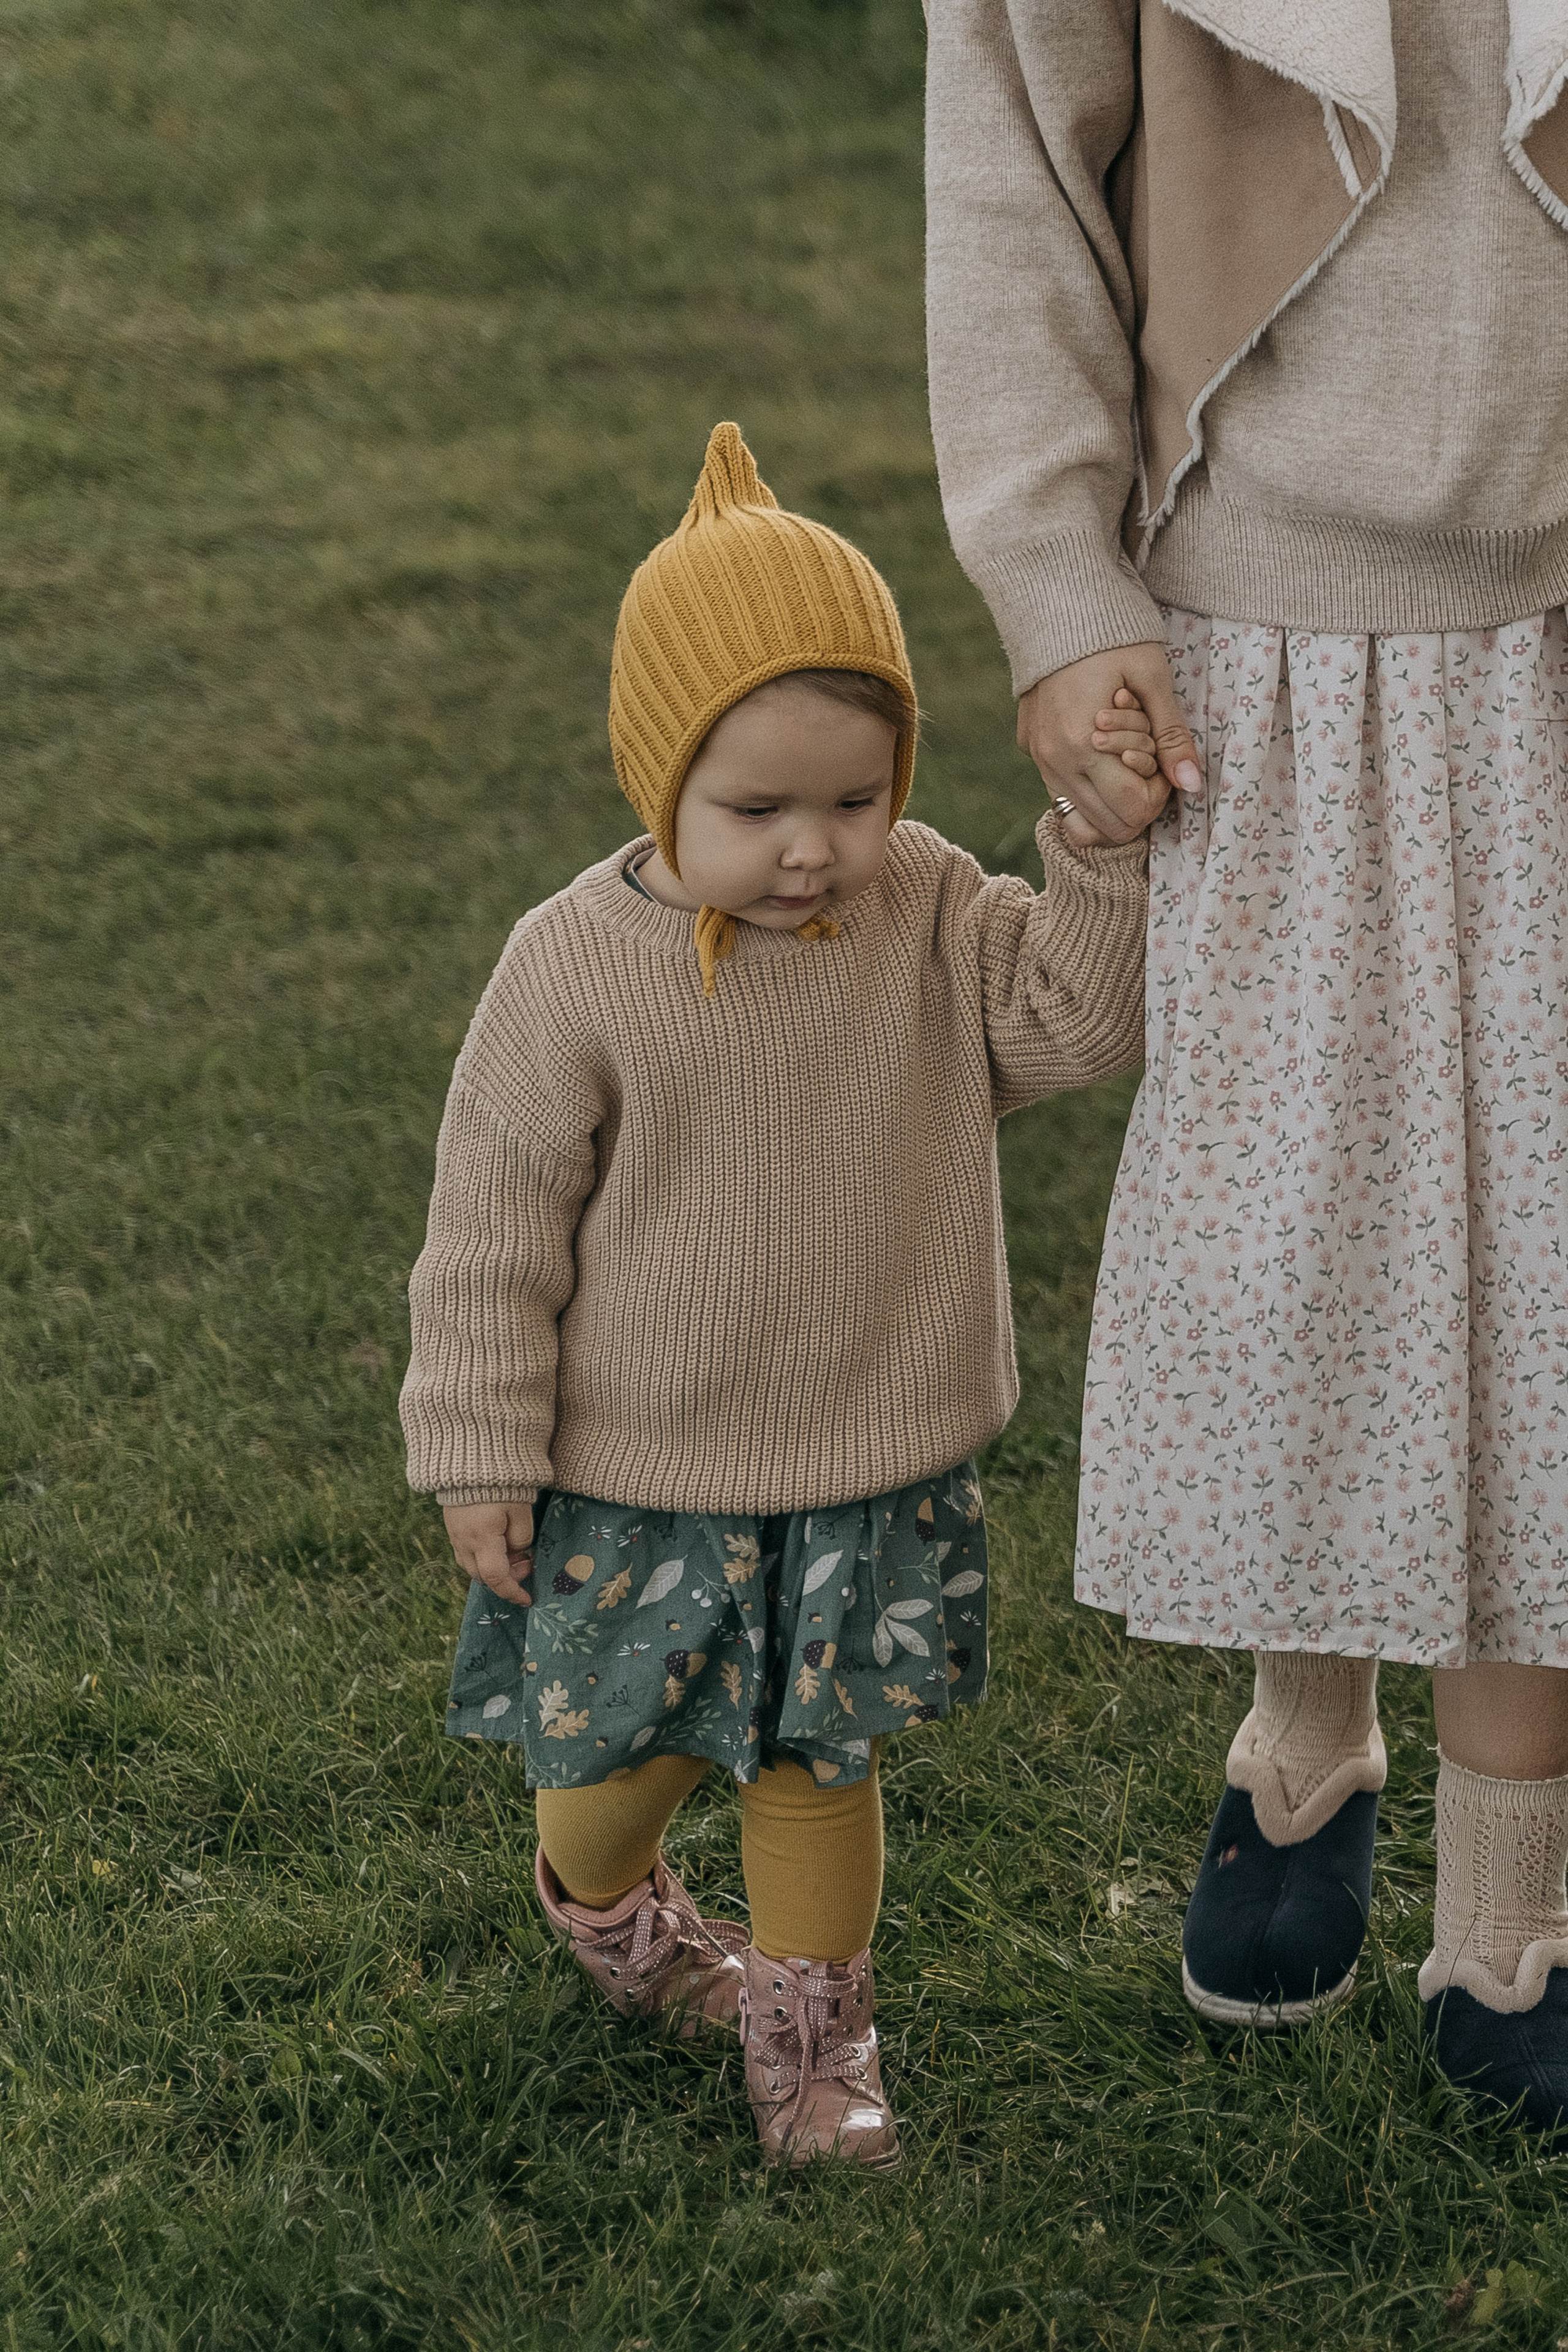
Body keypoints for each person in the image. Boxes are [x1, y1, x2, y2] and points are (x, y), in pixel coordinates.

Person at [926, 0, 1568, 2133]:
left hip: (1557, 614)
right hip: (1252, 647)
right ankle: (1309, 1737)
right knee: (1307, 1248)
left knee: (1543, 1289)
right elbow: (1016, 166)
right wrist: (1053, 576)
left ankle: (1515, 1909)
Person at [398, 423, 1158, 2168]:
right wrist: (480, 1448)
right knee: (614, 1766)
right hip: (641, 1465)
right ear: (652, 775)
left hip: (868, 1457)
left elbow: (1081, 1025)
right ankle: (601, 1899)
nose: (815, 848)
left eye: (856, 796)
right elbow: (493, 1229)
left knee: (821, 1763)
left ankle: (816, 2039)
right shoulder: (571, 966)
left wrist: (1103, 860)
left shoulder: (932, 908)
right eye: (756, 809)